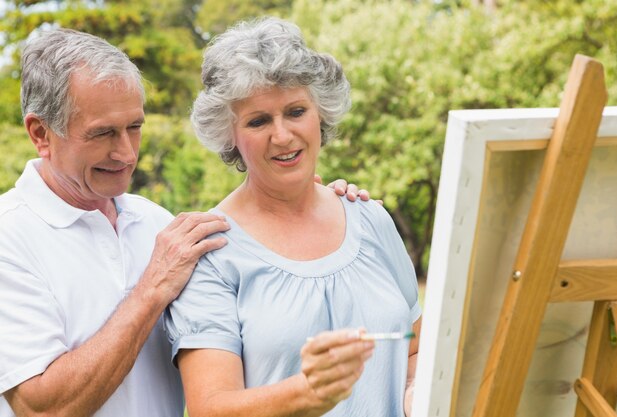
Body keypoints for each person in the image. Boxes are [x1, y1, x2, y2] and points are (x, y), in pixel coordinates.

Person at [0, 28, 368, 417]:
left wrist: (311, 202)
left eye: (135, 127)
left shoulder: (155, 222)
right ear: (41, 133)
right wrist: (152, 289)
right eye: (103, 133)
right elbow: (43, 408)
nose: (126, 153)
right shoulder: (10, 237)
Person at [165, 17, 422, 417]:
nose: (282, 136)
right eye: (258, 120)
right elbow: (209, 409)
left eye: (296, 111)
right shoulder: (211, 251)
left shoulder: (370, 217)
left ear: (321, 114)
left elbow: (415, 346)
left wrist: (413, 394)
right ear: (229, 132)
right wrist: (307, 393)